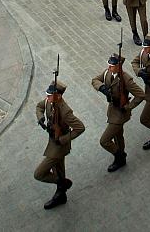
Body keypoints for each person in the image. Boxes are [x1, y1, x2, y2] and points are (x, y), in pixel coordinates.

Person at [34, 79, 85, 210]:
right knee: (59, 169)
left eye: (50, 95)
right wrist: (40, 118)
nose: (47, 97)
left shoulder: (65, 111)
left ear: (59, 96)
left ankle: (63, 183)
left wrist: (63, 139)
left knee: (39, 173)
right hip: (52, 139)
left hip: (59, 146)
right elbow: (39, 106)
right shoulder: (49, 101)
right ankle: (61, 195)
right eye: (48, 94)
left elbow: (80, 127)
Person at [91, 53, 145, 173]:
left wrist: (128, 107)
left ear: (119, 66)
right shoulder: (107, 73)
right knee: (118, 135)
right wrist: (102, 88)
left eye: (112, 66)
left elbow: (140, 95)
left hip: (120, 113)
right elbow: (95, 80)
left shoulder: (126, 79)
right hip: (112, 109)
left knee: (104, 141)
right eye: (108, 65)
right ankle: (120, 159)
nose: (109, 67)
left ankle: (120, 155)